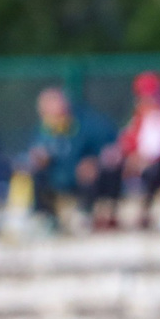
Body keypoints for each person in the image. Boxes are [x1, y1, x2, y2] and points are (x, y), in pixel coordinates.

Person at [106, 72, 160, 219]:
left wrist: (141, 159)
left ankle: (145, 211)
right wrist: (119, 154)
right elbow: (127, 140)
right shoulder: (140, 114)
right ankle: (109, 213)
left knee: (149, 170)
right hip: (140, 162)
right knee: (110, 167)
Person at [21, 85, 113, 223]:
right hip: (55, 175)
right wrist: (39, 159)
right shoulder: (42, 130)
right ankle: (43, 216)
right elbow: (35, 154)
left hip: (81, 176)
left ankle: (84, 213)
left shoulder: (84, 123)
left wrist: (93, 160)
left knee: (87, 170)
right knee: (31, 172)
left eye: (56, 102)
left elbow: (106, 147)